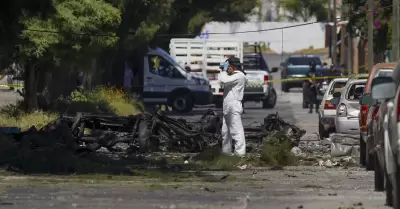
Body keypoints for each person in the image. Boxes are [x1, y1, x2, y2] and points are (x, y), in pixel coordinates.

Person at [218, 56, 248, 156]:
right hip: (228, 108)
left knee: (236, 132)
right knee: (225, 133)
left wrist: (223, 70)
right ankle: (226, 154)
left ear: (232, 66)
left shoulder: (239, 75)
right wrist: (225, 72)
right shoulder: (232, 76)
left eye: (228, 66)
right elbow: (221, 84)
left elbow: (224, 81)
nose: (227, 68)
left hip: (233, 107)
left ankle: (240, 155)